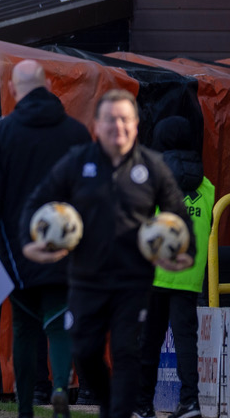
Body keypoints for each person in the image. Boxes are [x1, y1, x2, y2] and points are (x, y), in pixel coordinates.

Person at [22, 90, 195, 418]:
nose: (118, 125)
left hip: (135, 282)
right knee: (85, 351)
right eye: (110, 119)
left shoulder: (153, 167)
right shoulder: (76, 162)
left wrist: (186, 252)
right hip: (87, 280)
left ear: (135, 124)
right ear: (97, 125)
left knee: (126, 352)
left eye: (125, 119)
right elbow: (37, 201)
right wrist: (28, 241)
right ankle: (109, 403)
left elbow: (179, 216)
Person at [0, 60, 91, 418]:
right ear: (49, 88)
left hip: (17, 249)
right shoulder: (77, 133)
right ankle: (59, 391)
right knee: (59, 321)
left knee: (24, 326)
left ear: (12, 89)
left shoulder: (0, 132)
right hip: (65, 246)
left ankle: (25, 408)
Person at [136, 117, 211, 418]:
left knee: (149, 341)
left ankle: (143, 404)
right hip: (190, 275)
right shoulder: (207, 186)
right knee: (186, 340)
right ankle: (190, 401)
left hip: (155, 271)